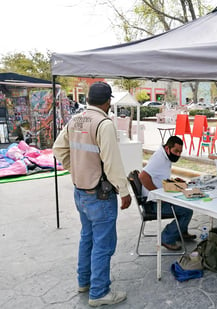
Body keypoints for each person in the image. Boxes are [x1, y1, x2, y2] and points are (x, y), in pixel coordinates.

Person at [53, 81, 132, 307]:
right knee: (103, 244)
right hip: (101, 195)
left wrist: (77, 168)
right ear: (108, 102)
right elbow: (112, 163)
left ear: (88, 99)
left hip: (81, 192)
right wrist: (124, 191)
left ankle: (84, 282)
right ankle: (99, 293)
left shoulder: (75, 119)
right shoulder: (104, 124)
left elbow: (58, 150)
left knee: (87, 238)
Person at [139, 135, 195, 250]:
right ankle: (167, 238)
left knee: (185, 202)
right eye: (176, 151)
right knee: (187, 211)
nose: (178, 154)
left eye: (180, 152)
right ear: (167, 148)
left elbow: (159, 176)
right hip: (153, 203)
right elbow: (143, 176)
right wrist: (158, 194)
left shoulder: (165, 156)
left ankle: (180, 232)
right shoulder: (160, 158)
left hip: (155, 199)